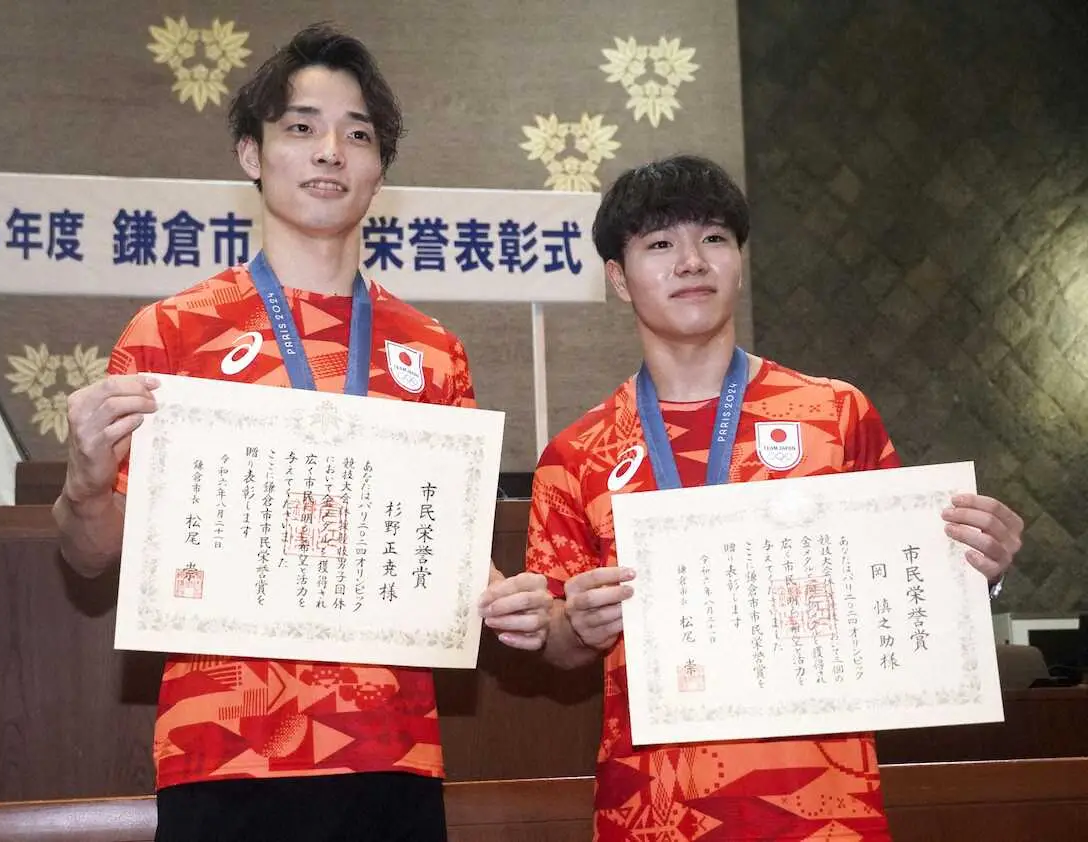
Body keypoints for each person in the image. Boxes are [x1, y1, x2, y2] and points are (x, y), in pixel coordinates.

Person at [53, 24, 549, 842]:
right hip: (219, 754)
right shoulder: (171, 336)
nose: (330, 152)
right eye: (302, 127)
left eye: (358, 135)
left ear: (379, 168)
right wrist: (82, 484)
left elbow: (450, 558)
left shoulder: (434, 353)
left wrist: (508, 599)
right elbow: (90, 556)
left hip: (391, 753)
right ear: (251, 154)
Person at [521, 154, 1024, 841]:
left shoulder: (836, 415)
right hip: (653, 809)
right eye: (660, 244)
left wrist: (979, 569)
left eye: (714, 238)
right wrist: (577, 624)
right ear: (618, 278)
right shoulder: (577, 454)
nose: (691, 261)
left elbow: (910, 586)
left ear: (739, 261)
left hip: (826, 805)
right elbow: (554, 645)